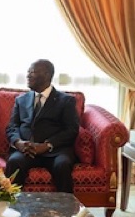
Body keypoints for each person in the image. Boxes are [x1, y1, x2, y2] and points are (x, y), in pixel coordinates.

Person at [5, 59, 80, 194]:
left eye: (32, 72)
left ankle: (65, 206)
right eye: (28, 72)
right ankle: (11, 205)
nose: (28, 76)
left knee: (62, 165)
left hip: (55, 151)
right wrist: (18, 143)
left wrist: (47, 145)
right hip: (26, 150)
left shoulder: (66, 101)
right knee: (14, 161)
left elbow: (71, 130)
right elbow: (12, 127)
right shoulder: (21, 100)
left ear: (46, 75)